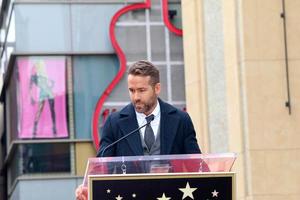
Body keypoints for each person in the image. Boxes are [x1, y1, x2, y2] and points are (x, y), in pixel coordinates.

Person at [75, 60, 201, 200]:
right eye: (132, 90)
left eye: (141, 90)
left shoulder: (181, 120)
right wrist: (88, 188)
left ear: (157, 88)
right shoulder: (114, 123)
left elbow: (197, 165)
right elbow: (102, 166)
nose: (136, 97)